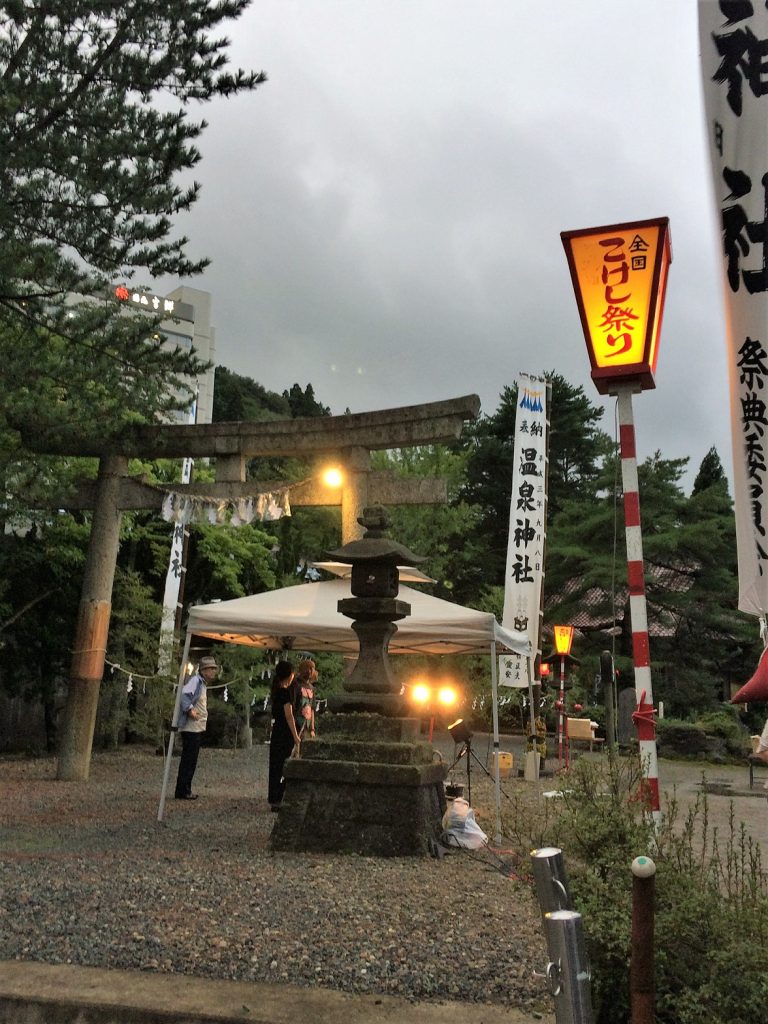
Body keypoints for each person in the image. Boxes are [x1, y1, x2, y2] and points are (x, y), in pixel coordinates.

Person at [174, 655, 219, 800]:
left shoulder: (202, 684)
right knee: (189, 759)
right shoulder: (195, 681)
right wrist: (190, 710)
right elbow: (183, 696)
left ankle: (185, 788)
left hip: (196, 726)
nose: (214, 671)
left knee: (191, 760)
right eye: (211, 669)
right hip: (191, 727)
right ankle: (183, 790)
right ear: (204, 670)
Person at [268, 660, 300, 811]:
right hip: (285, 732)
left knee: (275, 765)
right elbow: (289, 716)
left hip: (277, 731)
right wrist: (296, 736)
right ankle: (280, 797)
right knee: (284, 765)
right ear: (290, 675)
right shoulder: (285, 692)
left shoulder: (275, 691)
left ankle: (274, 798)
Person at [293, 658, 317, 740]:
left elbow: (312, 709)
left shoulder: (312, 688)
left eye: (312, 669)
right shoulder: (296, 685)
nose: (309, 671)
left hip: (306, 725)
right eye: (307, 668)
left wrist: (312, 729)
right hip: (295, 724)